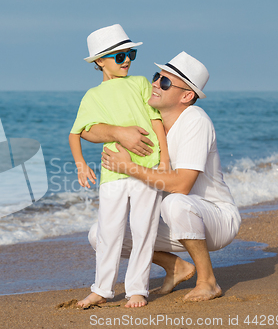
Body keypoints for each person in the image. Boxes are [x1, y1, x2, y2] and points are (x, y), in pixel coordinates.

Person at [84, 51, 241, 302]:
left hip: (215, 217)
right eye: (157, 76)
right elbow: (89, 127)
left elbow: (182, 185)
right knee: (99, 233)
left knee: (174, 203)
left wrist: (129, 168)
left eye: (165, 82)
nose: (155, 84)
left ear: (187, 96)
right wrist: (117, 132)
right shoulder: (146, 117)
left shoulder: (194, 120)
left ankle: (208, 281)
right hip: (176, 220)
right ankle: (176, 266)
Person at [68, 24, 170, 308]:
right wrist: (80, 166)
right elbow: (76, 132)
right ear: (100, 61)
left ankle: (138, 289)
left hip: (147, 167)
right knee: (108, 231)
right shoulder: (92, 96)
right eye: (119, 56)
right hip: (112, 172)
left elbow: (155, 120)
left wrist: (164, 158)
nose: (126, 60)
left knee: (143, 229)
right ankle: (101, 288)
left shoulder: (139, 83)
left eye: (130, 54)